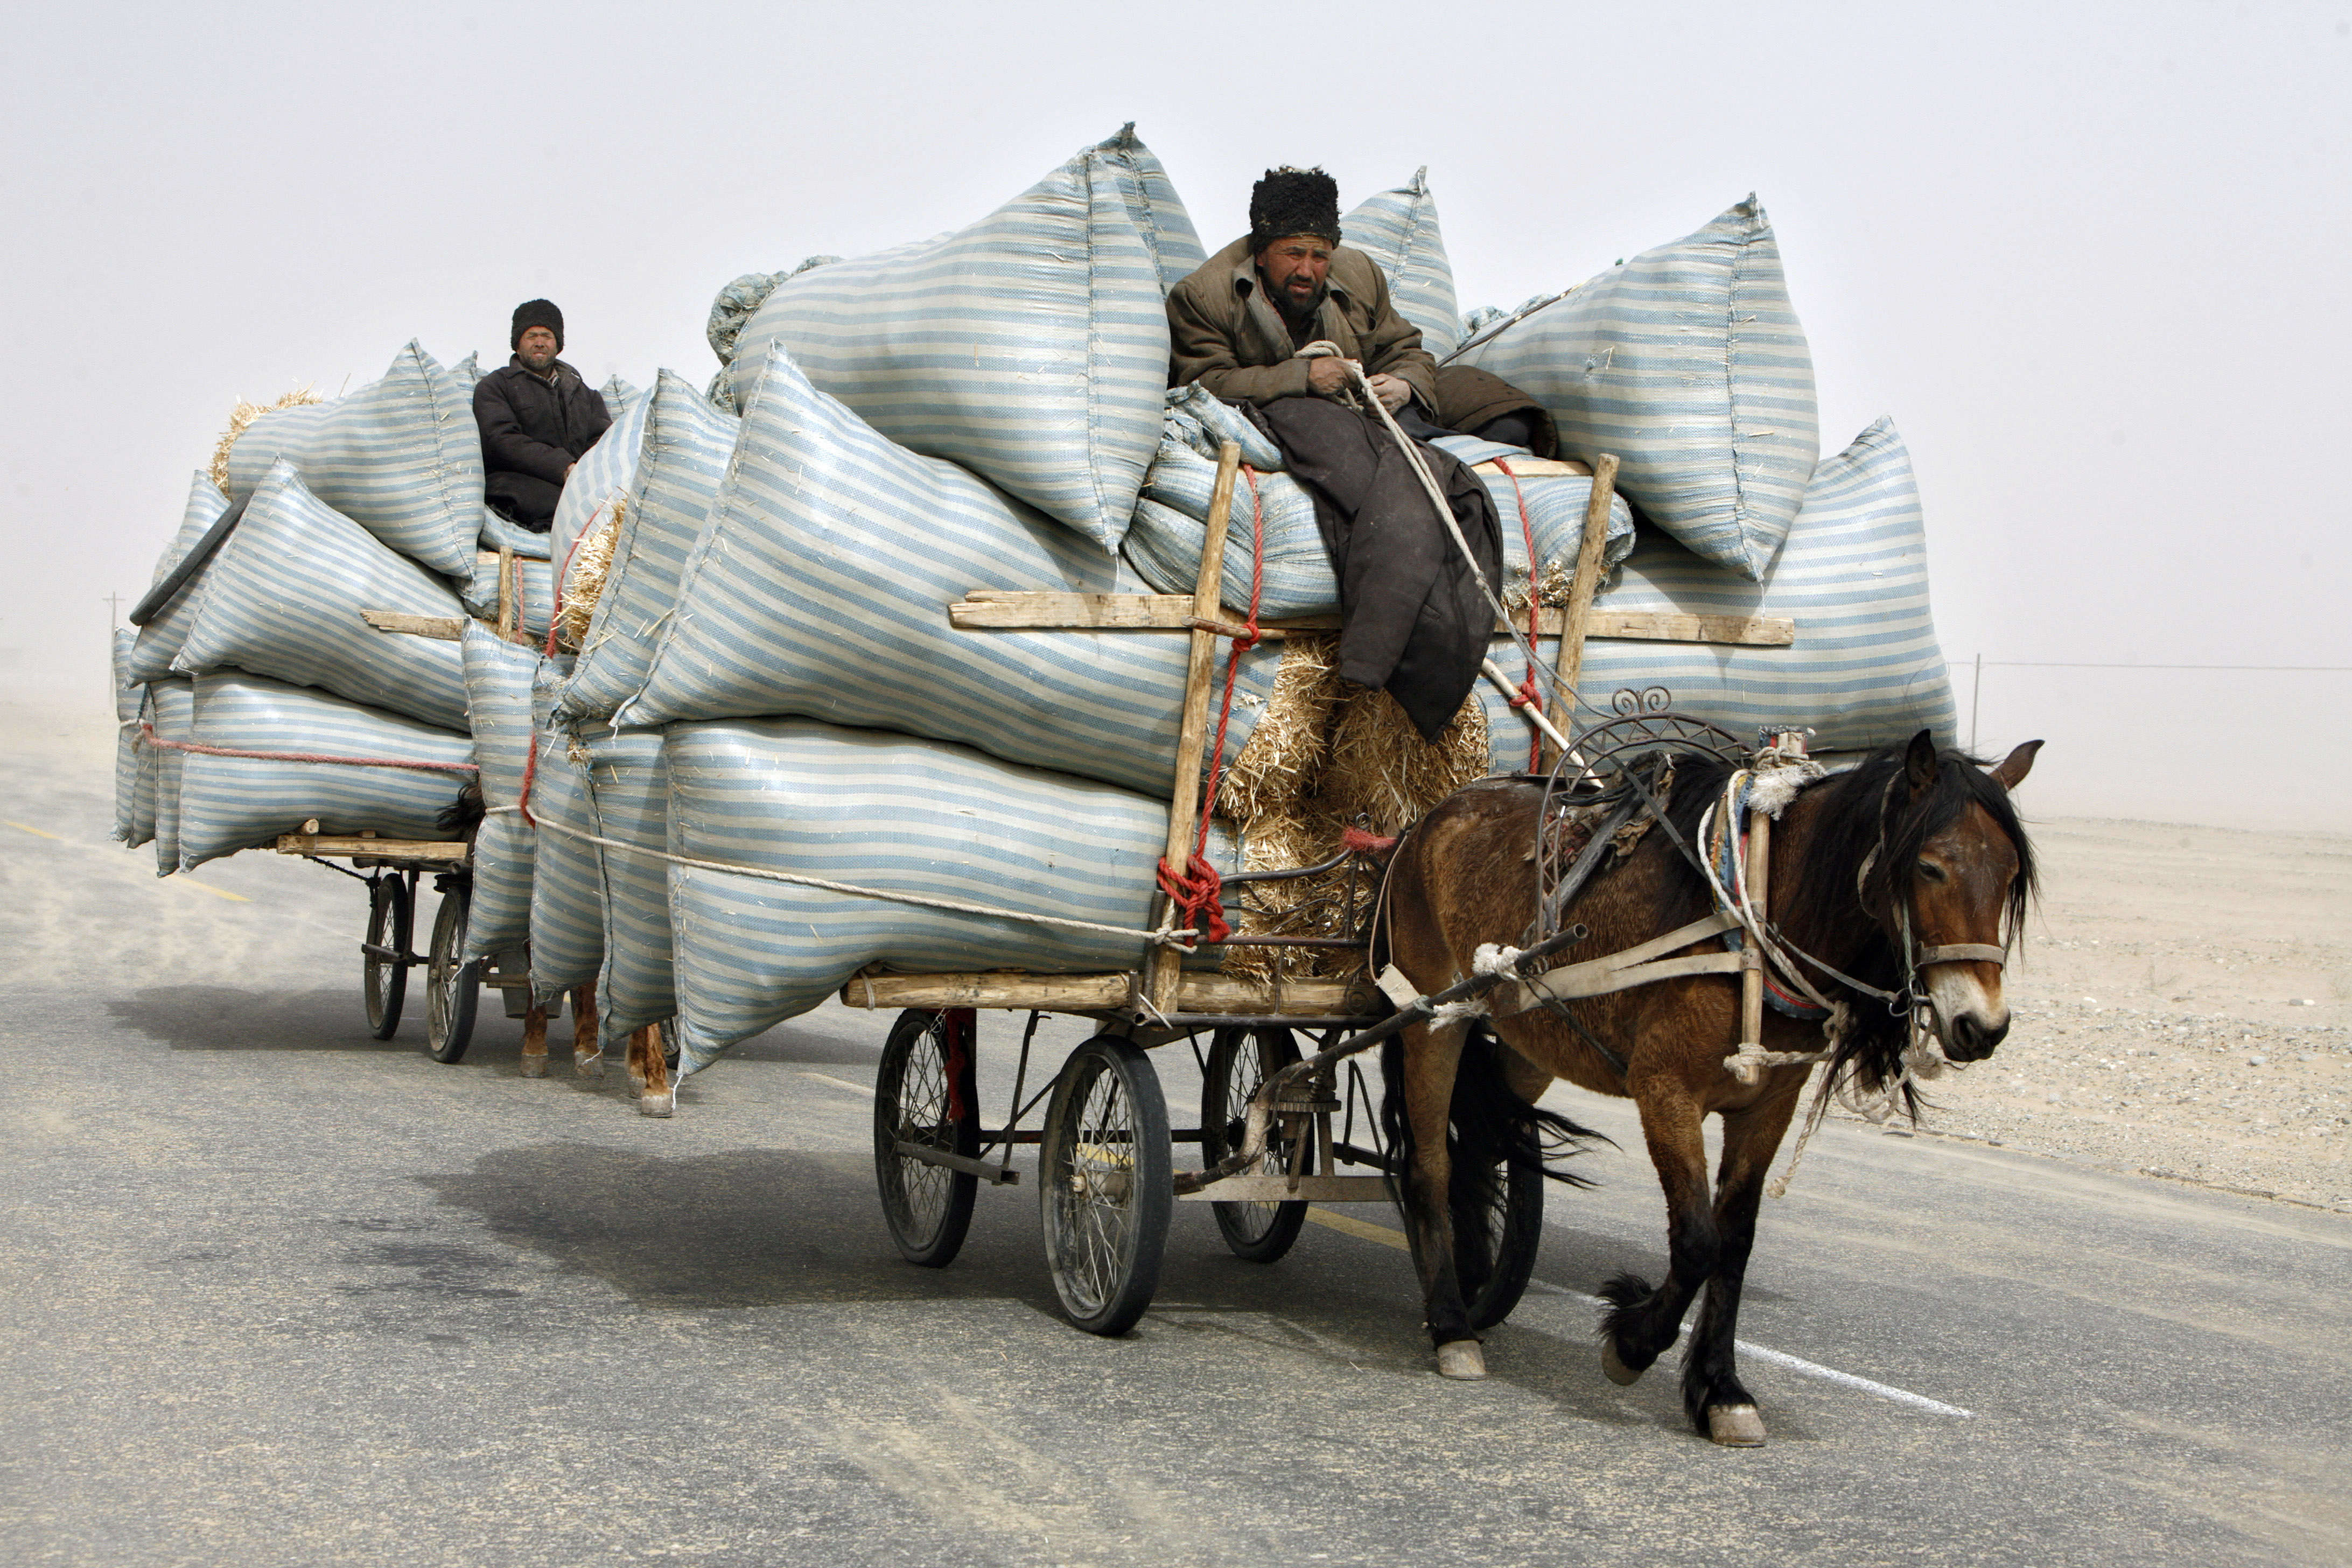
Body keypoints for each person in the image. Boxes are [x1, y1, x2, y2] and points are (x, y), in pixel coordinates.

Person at [1166, 168, 1548, 741]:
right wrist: (1302, 375)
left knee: (1507, 415)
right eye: (1293, 253)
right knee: (1389, 479)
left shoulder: (1359, 274)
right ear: (1261, 251)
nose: (1307, 269)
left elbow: (1407, 346)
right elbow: (1207, 380)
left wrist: (1404, 384)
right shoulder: (1205, 295)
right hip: (1302, 408)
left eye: (1320, 255)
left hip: (1376, 402)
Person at [474, 299, 612, 530]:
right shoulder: (495, 386)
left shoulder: (586, 395)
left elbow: (603, 441)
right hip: (518, 482)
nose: (539, 343)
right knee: (566, 507)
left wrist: (587, 473)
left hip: (577, 485)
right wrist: (563, 466)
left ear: (558, 344)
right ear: (517, 344)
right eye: (531, 336)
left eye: (547, 336)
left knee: (609, 506)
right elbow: (502, 440)